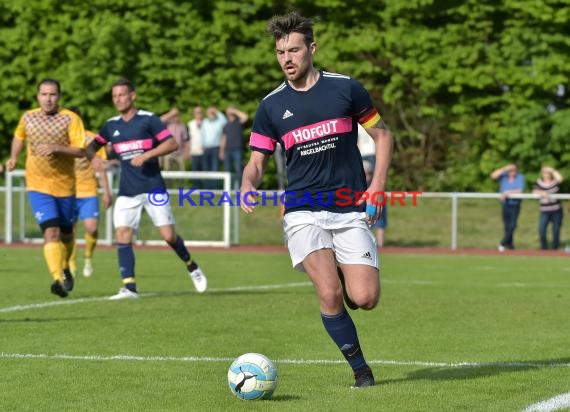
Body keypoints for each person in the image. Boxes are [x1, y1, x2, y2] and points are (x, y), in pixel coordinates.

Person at [240, 12, 392, 388]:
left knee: (366, 297)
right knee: (328, 293)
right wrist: (248, 183)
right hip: (302, 210)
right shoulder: (271, 106)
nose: (286, 58)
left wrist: (378, 186)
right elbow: (256, 162)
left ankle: (344, 269)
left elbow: (384, 136)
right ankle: (361, 371)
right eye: (279, 52)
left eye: (293, 50)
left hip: (349, 208)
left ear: (312, 48)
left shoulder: (345, 89)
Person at [86, 78, 207, 299]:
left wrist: (147, 155)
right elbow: (92, 147)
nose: (118, 99)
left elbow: (172, 144)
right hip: (127, 191)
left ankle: (191, 265)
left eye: (122, 95)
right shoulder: (111, 125)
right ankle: (129, 287)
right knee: (122, 233)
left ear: (133, 95)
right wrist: (95, 159)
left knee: (168, 236)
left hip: (153, 188)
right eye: (114, 96)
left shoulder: (148, 120)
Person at [5, 78, 86, 298]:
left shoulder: (70, 119)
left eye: (52, 95)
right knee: (51, 232)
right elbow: (19, 136)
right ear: (38, 96)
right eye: (44, 94)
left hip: (65, 186)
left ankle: (67, 266)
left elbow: (81, 151)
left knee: (67, 235)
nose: (48, 99)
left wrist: (56, 148)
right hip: (38, 185)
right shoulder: (29, 117)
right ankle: (57, 278)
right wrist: (13, 158)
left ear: (58, 97)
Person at [67, 106, 113, 278]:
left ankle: (88, 257)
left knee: (91, 228)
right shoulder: (60, 140)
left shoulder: (92, 139)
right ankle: (71, 261)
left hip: (88, 190)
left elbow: (100, 168)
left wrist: (107, 192)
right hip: (67, 191)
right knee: (69, 230)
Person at [490, 163, 525, 251]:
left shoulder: (520, 177)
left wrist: (507, 193)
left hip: (514, 204)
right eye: (510, 170)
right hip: (505, 204)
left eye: (513, 170)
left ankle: (503, 243)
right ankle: (510, 244)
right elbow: (493, 176)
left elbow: (519, 190)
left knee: (512, 225)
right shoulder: (504, 176)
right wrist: (505, 168)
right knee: (506, 226)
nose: (512, 172)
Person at [532, 166, 563, 250]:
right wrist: (542, 192)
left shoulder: (555, 182)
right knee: (542, 230)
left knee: (556, 230)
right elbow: (534, 192)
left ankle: (554, 249)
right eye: (544, 172)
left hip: (556, 210)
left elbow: (560, 179)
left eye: (547, 172)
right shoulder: (538, 183)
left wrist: (552, 170)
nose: (546, 174)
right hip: (545, 211)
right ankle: (544, 248)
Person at [220, 105, 248, 189]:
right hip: (227, 150)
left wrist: (234, 111)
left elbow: (245, 117)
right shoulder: (225, 124)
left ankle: (240, 188)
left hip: (237, 149)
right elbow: (223, 138)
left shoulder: (239, 122)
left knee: (239, 170)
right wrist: (221, 151)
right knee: (227, 171)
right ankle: (228, 188)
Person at [363, 160, 387, 247]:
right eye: (366, 174)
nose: (368, 177)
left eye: (369, 174)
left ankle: (380, 246)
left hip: (375, 200)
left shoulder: (377, 187)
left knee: (380, 222)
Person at [201, 105, 227, 180]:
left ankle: (214, 187)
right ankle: (207, 187)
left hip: (215, 148)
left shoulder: (219, 122)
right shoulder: (205, 121)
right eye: (209, 112)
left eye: (212, 113)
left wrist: (216, 111)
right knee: (205, 168)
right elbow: (203, 134)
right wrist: (202, 144)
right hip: (206, 148)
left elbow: (224, 119)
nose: (211, 114)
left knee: (214, 168)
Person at [187, 106, 205, 188]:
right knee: (195, 170)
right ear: (194, 114)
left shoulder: (206, 123)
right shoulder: (190, 124)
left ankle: (205, 187)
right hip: (194, 151)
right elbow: (188, 139)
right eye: (196, 112)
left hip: (204, 151)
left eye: (199, 112)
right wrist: (188, 150)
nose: (198, 114)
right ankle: (196, 187)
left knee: (205, 171)